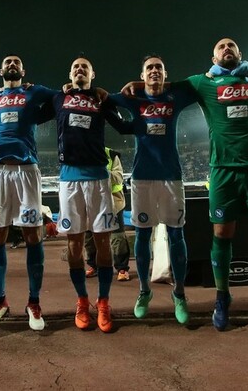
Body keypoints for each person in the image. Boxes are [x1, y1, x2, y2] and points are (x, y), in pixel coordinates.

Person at [179, 39, 248, 331]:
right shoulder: (202, 82)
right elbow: (162, 88)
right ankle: (222, 297)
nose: (226, 48)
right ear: (213, 57)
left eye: (231, 46)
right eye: (221, 47)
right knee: (222, 233)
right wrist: (134, 86)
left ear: (240, 54)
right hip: (222, 170)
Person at [111, 54, 199, 325]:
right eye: (149, 68)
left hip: (171, 178)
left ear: (165, 73)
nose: (154, 71)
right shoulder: (134, 99)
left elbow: (196, 84)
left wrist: (147, 84)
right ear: (142, 74)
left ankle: (179, 294)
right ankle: (143, 291)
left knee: (176, 236)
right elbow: (104, 99)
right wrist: (135, 88)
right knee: (142, 235)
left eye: (159, 68)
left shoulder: (175, 98)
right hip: (142, 179)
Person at [51, 56, 131, 333]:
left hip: (98, 178)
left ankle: (104, 301)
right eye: (75, 67)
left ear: (92, 74)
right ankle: (82, 301)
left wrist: (116, 97)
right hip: (69, 179)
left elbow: (124, 126)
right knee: (74, 245)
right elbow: (29, 107)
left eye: (84, 67)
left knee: (103, 243)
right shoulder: (57, 98)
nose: (79, 69)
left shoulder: (101, 99)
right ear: (70, 74)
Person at [0, 55, 55, 331]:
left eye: (17, 62)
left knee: (32, 235)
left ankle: (34, 302)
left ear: (23, 70)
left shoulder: (35, 92)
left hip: (27, 170)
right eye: (7, 62)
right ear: (0, 70)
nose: (12, 65)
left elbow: (62, 98)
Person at [85, 148, 131, 281]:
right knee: (89, 235)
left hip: (113, 201)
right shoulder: (82, 153)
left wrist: (102, 171)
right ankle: (94, 266)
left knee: (118, 236)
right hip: (91, 200)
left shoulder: (111, 155)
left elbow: (119, 177)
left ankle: (122, 268)